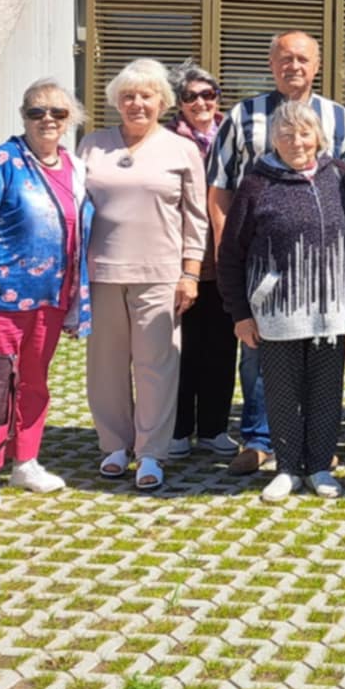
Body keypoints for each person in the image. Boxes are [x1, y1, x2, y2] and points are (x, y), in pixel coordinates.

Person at [208, 30, 345, 476]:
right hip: (263, 269)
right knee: (259, 355)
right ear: (271, 64)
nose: (294, 66)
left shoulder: (340, 118)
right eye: (285, 58)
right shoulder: (243, 116)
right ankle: (260, 439)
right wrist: (231, 252)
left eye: (303, 59)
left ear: (317, 65)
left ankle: (317, 444)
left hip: (324, 273)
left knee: (320, 356)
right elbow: (221, 189)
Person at [0, 79, 91, 512]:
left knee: (34, 383)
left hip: (52, 296)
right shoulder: (2, 161)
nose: (48, 119)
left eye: (58, 112)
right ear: (24, 116)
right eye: (37, 111)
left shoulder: (74, 167)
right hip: (0, 298)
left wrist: (78, 299)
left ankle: (25, 461)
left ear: (70, 120)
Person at [80, 59, 208, 492]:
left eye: (146, 96)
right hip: (101, 273)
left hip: (160, 274)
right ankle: (114, 445)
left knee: (156, 365)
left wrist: (191, 272)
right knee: (105, 366)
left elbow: (196, 216)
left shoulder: (181, 149)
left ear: (162, 101)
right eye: (128, 96)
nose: (137, 103)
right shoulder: (92, 146)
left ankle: (152, 451)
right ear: (116, 101)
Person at [165, 62, 236, 459]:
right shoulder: (166, 140)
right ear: (178, 102)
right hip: (181, 259)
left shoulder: (232, 134)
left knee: (222, 347)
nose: (200, 103)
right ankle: (178, 428)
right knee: (182, 348)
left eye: (208, 95)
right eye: (190, 96)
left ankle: (213, 427)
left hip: (224, 255)